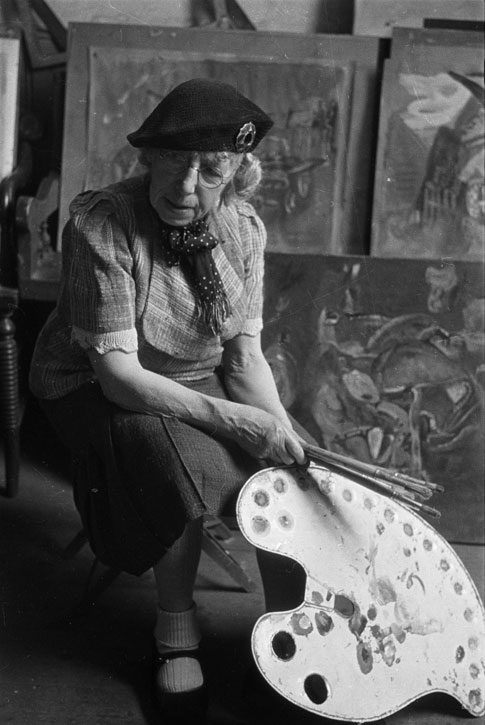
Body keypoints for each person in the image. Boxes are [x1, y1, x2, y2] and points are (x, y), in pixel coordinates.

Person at [29, 78, 307, 723]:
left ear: (241, 173)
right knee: (170, 459)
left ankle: (285, 633)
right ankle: (175, 634)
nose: (186, 188)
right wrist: (233, 419)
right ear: (148, 159)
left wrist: (283, 430)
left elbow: (242, 359)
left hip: (194, 376)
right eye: (174, 165)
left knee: (288, 469)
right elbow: (120, 377)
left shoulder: (246, 229)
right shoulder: (102, 223)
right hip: (91, 381)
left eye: (211, 172)